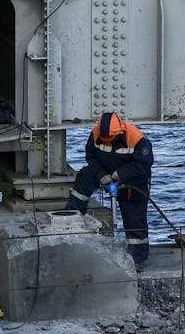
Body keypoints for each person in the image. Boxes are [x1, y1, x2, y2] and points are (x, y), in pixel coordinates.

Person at [65, 112, 154, 270]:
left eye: (111, 139)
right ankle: (71, 221)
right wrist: (102, 175)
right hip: (105, 171)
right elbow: (91, 156)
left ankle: (137, 258)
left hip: (133, 180)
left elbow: (144, 163)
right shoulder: (95, 133)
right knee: (85, 176)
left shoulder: (137, 138)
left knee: (134, 217)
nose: (108, 141)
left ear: (119, 132)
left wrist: (120, 175)